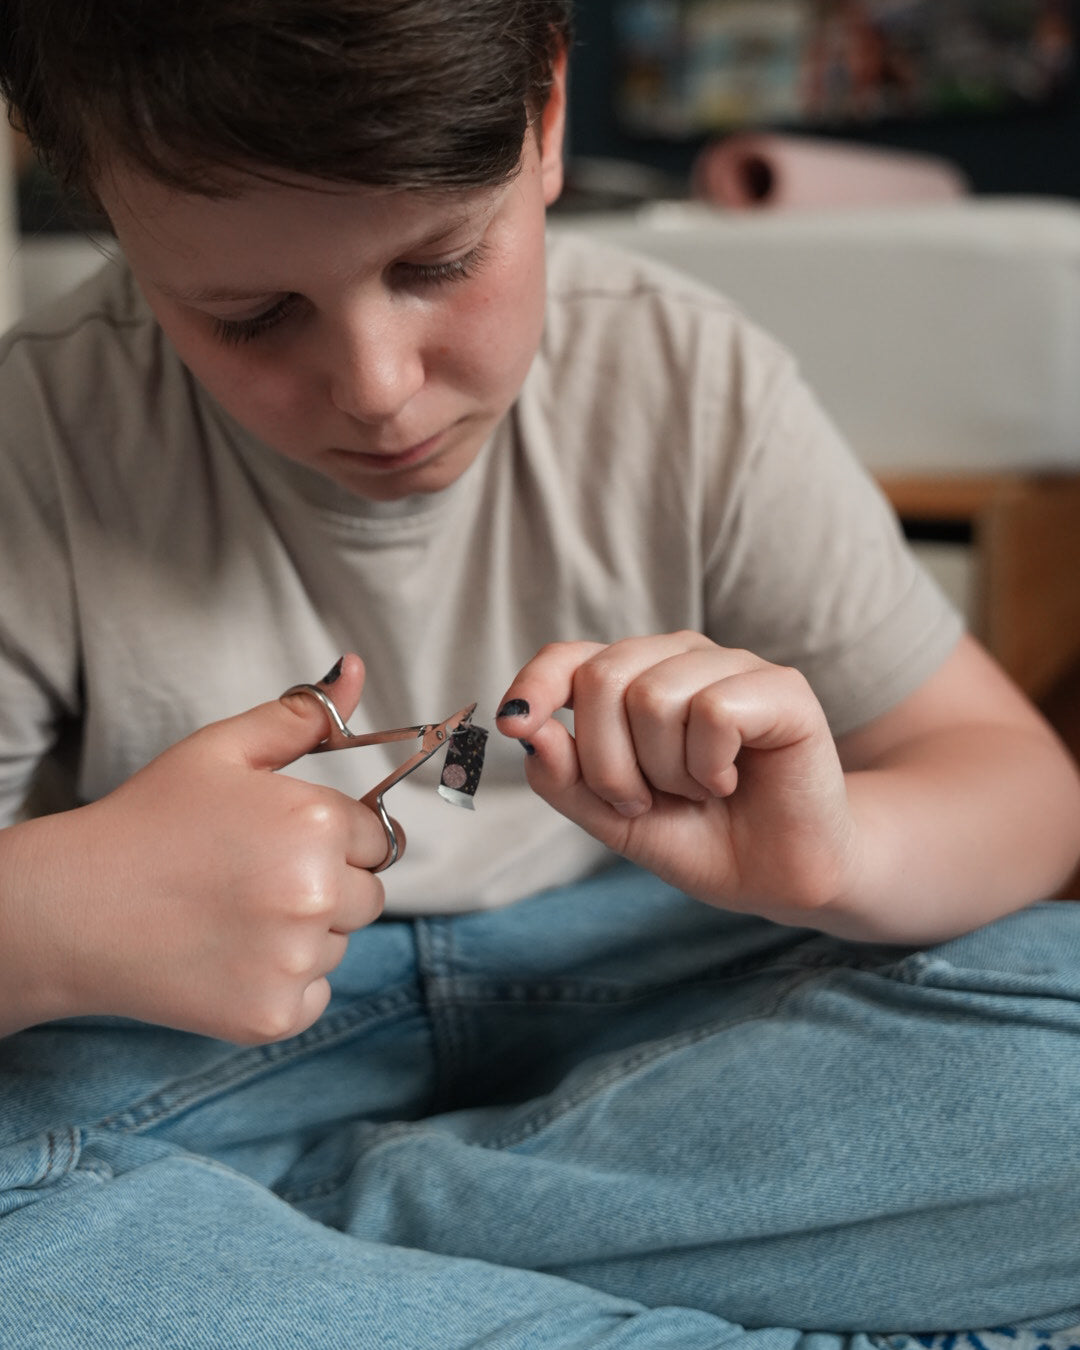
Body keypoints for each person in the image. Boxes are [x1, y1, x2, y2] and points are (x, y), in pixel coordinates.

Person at [1, 3, 1079, 1346]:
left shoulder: (687, 375)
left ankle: (289, 1247)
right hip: (199, 1062)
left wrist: (833, 855)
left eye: (440, 263)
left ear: (548, 121)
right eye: (253, 316)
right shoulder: (34, 435)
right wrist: (39, 911)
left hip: (646, 995)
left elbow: (1025, 791)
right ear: (109, 214)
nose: (379, 389)